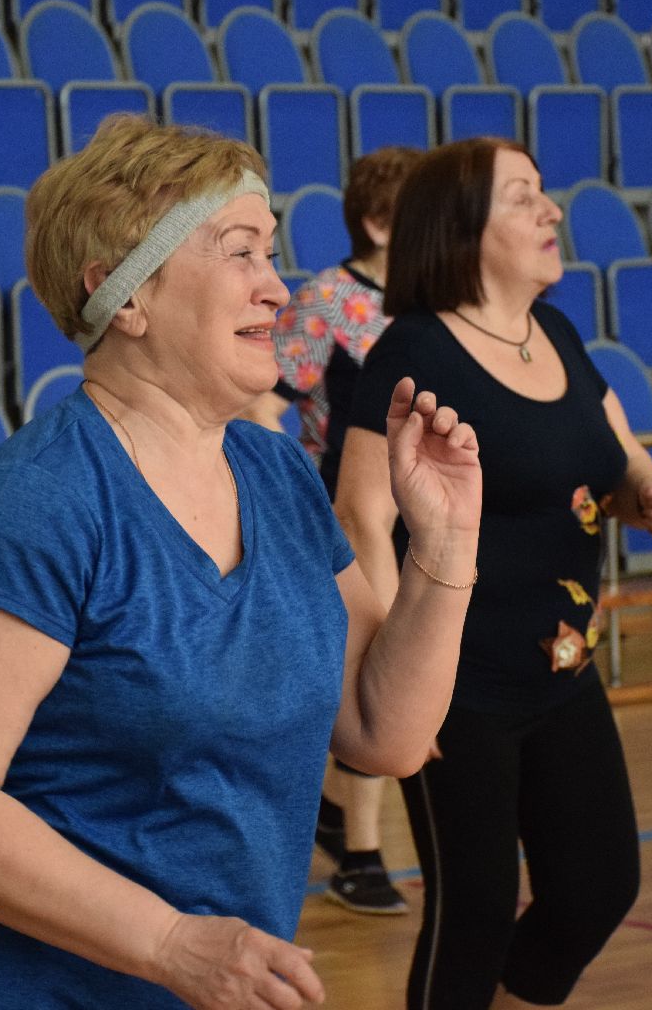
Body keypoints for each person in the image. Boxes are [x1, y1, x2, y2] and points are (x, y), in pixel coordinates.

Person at [0, 115, 483, 1009]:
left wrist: (442, 550)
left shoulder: (276, 474)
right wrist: (169, 942)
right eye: (240, 253)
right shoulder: (35, 503)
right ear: (123, 298)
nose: (277, 290)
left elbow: (382, 732)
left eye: (271, 254)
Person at [338, 138, 652, 1010]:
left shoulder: (558, 335)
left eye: (545, 192)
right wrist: (392, 690)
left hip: (562, 671)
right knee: (475, 911)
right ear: (463, 230)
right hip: (454, 688)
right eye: (524, 197)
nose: (552, 210)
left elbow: (616, 464)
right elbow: (360, 517)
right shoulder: (412, 352)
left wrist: (648, 494)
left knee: (599, 888)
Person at [247, 145, 424, 915]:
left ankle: (337, 817)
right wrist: (283, 485)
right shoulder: (326, 300)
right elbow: (267, 395)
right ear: (381, 222)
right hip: (346, 512)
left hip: (420, 512)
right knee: (365, 676)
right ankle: (360, 853)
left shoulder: (431, 302)